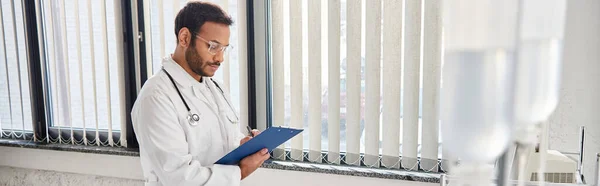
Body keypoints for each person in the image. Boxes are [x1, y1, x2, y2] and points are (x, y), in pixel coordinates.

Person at [131, 2, 268, 186]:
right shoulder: (155, 97)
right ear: (185, 38)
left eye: (224, 49)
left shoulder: (216, 88)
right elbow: (179, 178)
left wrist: (243, 147)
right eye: (213, 46)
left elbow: (218, 145)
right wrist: (241, 171)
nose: (220, 58)